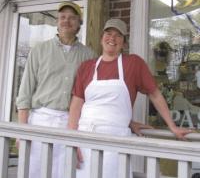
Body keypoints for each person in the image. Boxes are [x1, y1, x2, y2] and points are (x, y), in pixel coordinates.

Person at [67, 18, 193, 178]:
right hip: (84, 139)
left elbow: (155, 94)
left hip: (116, 142)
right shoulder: (86, 67)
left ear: (124, 43)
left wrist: (172, 126)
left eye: (118, 35)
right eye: (108, 33)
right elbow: (76, 105)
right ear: (101, 38)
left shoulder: (133, 63)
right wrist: (71, 140)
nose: (112, 38)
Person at [16, 1, 95, 178]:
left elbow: (92, 96)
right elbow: (25, 93)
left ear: (79, 24)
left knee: (65, 173)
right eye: (62, 17)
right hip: (40, 121)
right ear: (57, 21)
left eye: (72, 18)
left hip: (71, 124)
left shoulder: (89, 56)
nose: (66, 21)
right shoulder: (39, 50)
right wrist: (22, 131)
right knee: (34, 172)